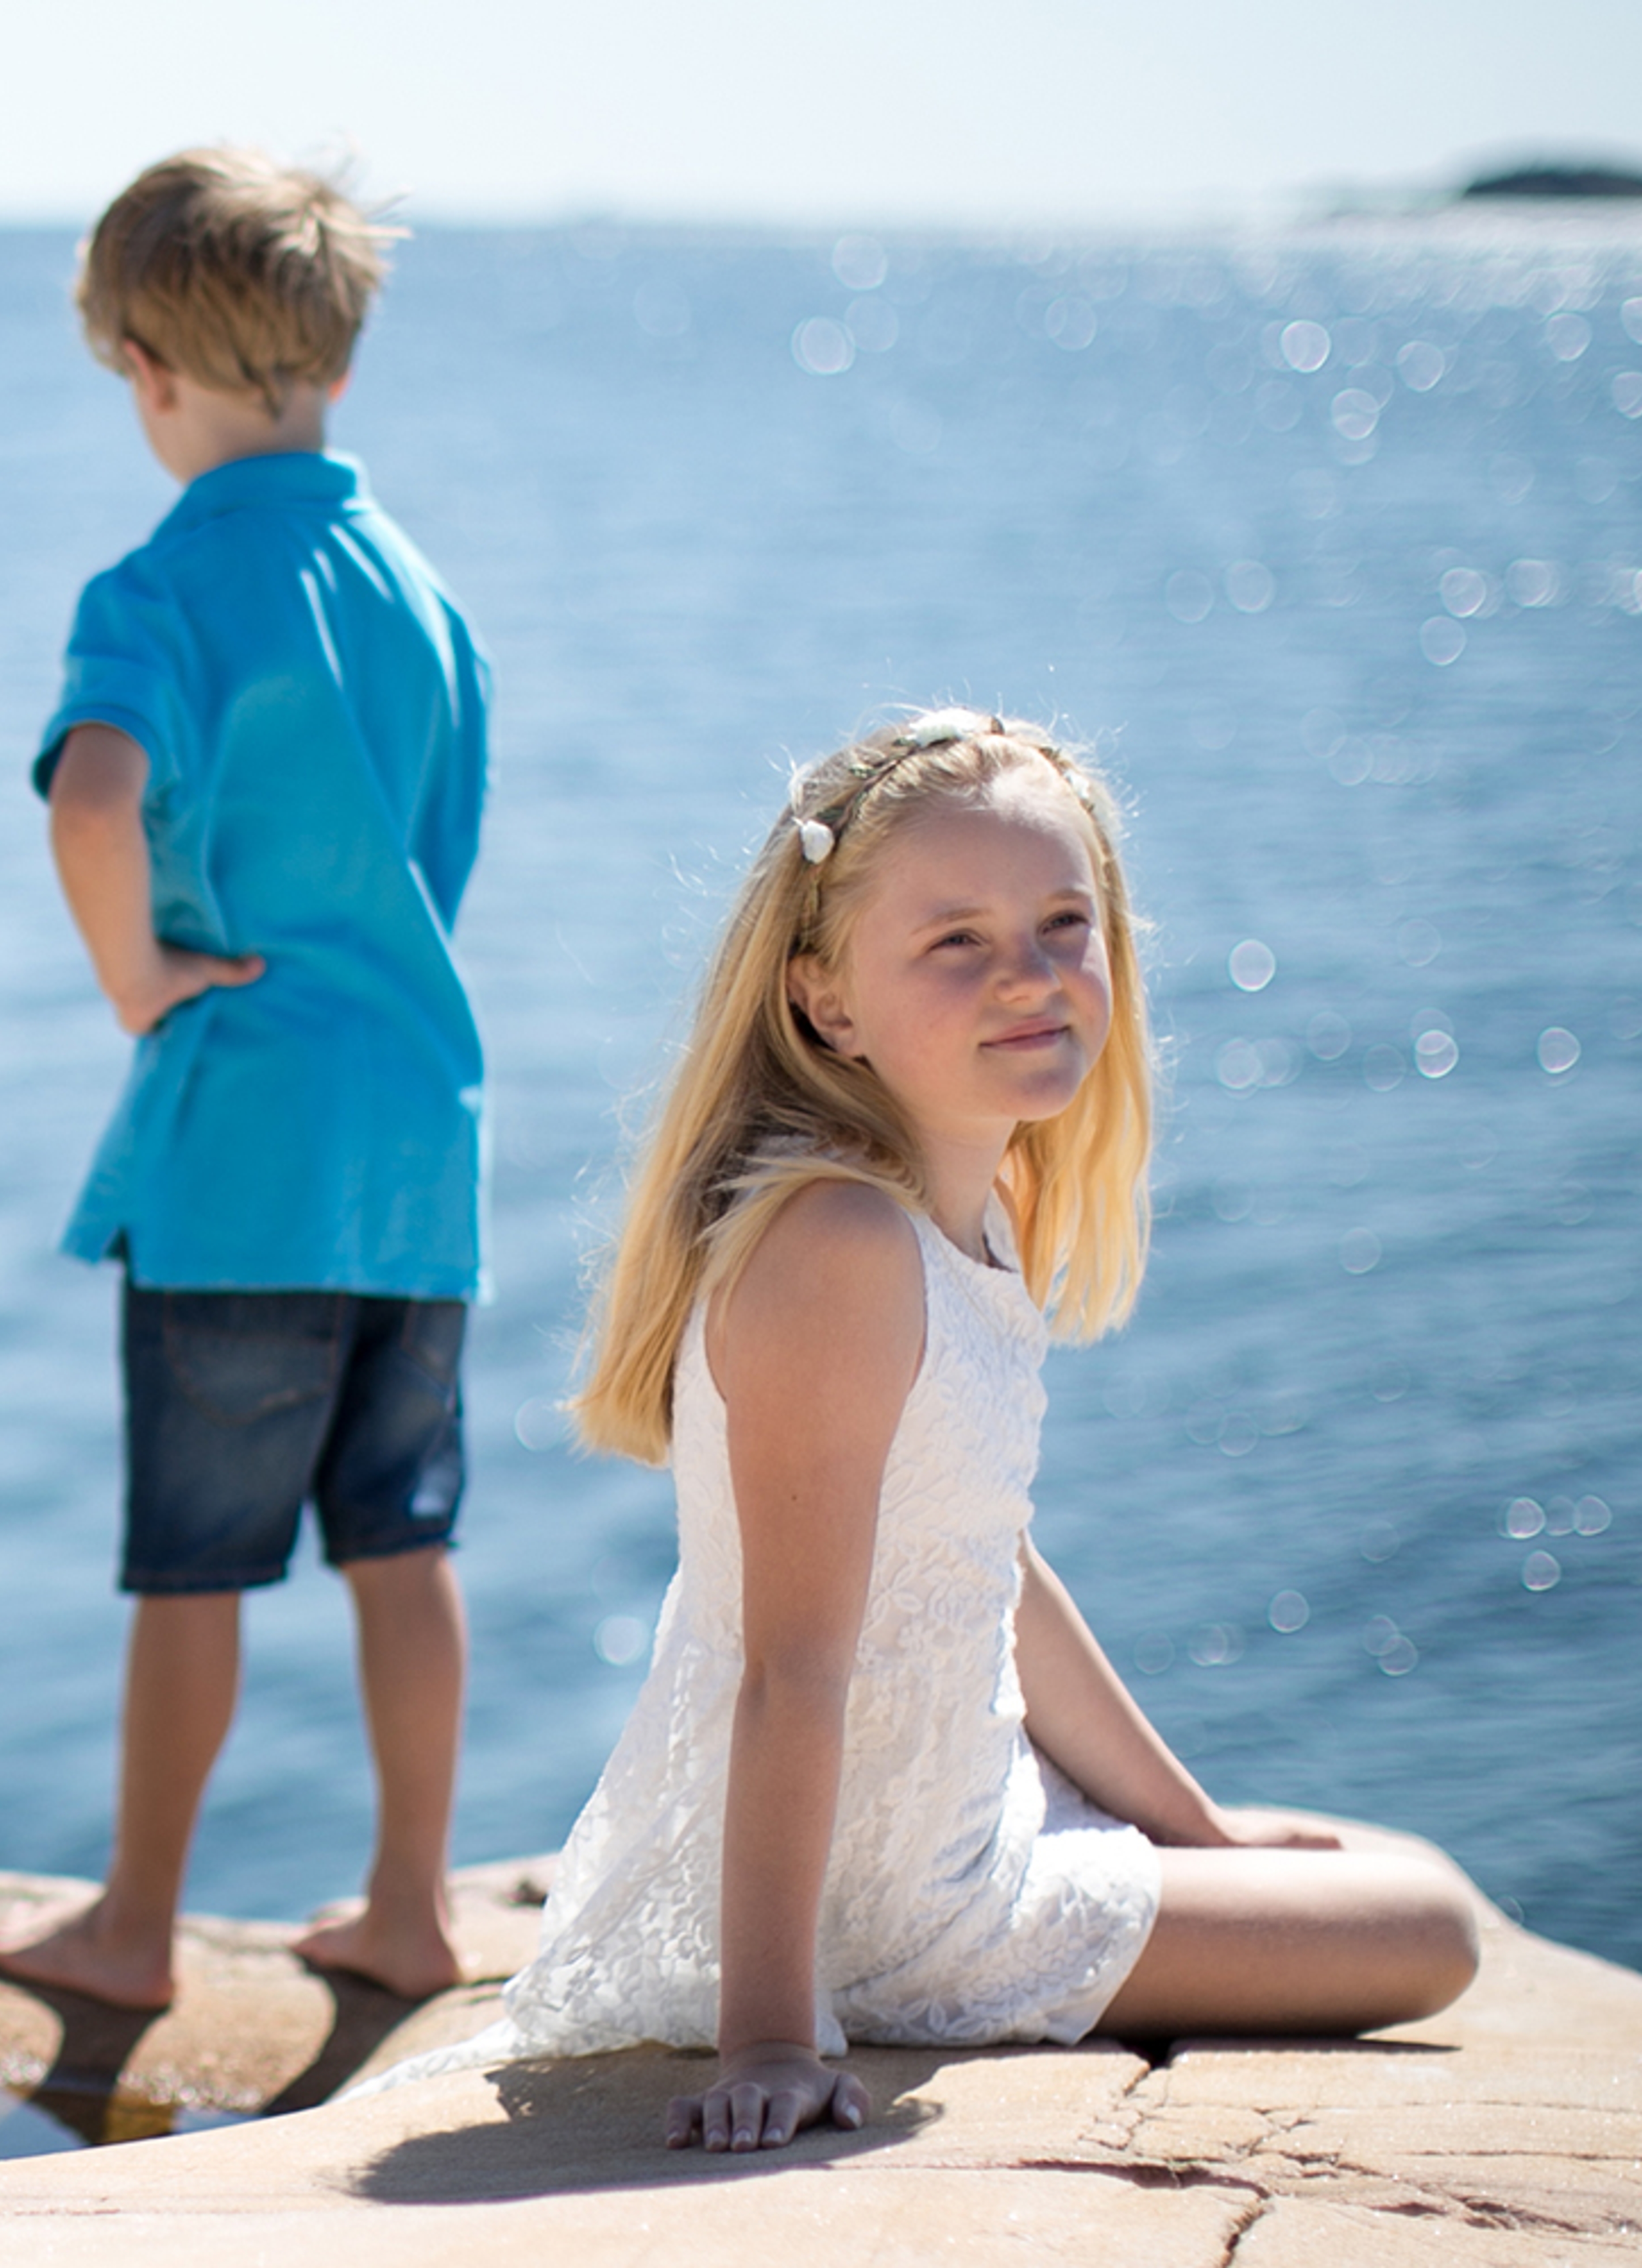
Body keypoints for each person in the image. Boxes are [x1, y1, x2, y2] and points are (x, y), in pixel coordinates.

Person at [358, 708, 1478, 2144]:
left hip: (955, 1813)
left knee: (1341, 1856)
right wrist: (770, 2034)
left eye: (1064, 922)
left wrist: (1191, 1828)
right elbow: (790, 1668)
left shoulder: (970, 1206)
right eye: (957, 941)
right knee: (1431, 1924)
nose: (1031, 975)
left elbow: (985, 1568)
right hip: (904, 1902)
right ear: (826, 1002)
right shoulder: (841, 1248)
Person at [0, 149, 492, 2011]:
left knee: (192, 1565)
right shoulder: (426, 596)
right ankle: (413, 1904)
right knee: (402, 1535)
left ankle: (132, 1927)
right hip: (422, 1148)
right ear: (336, 364)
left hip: (243, 1156)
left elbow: (96, 794)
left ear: (140, 366)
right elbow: (439, 861)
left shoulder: (162, 586)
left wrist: (136, 975)